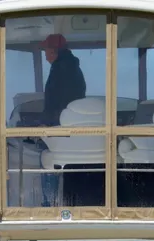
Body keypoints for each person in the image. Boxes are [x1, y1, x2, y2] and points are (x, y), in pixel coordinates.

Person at [39, 34, 87, 206]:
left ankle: (49, 205)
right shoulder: (74, 68)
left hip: (59, 127)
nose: (45, 54)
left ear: (54, 51)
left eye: (46, 50)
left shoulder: (59, 70)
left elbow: (56, 102)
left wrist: (45, 124)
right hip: (73, 128)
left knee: (45, 158)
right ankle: (74, 203)